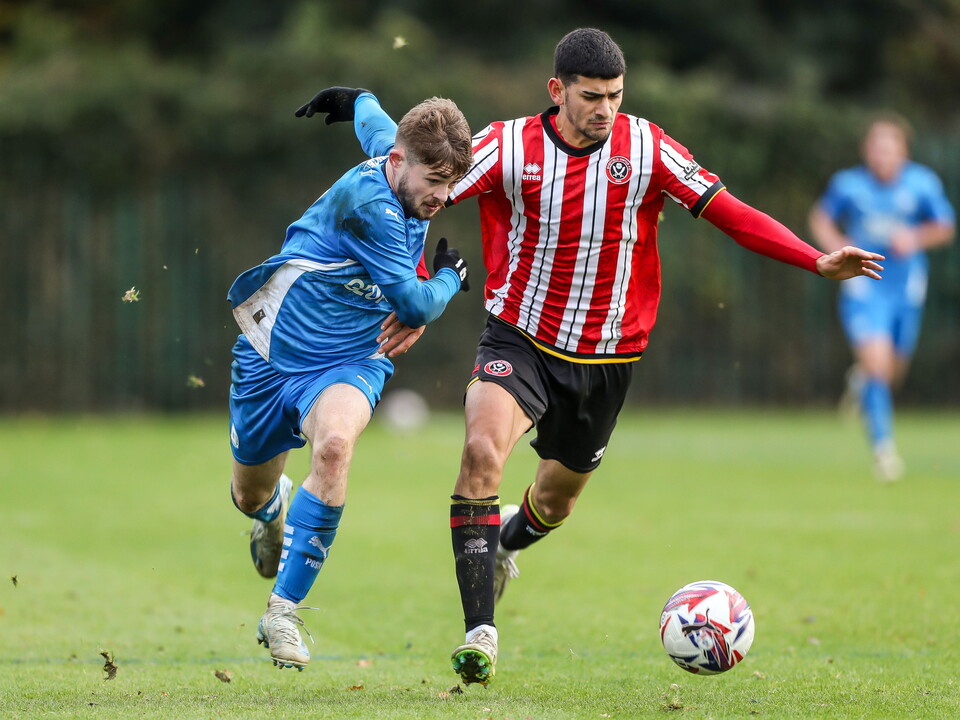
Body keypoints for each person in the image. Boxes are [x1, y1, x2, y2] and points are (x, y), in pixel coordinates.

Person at [298, 28, 885, 686]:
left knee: (556, 499)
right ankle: (480, 632)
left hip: (607, 359)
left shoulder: (648, 148)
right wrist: (414, 291)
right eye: (591, 96)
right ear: (557, 91)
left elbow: (731, 213)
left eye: (615, 95)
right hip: (517, 336)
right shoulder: (506, 146)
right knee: (482, 451)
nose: (605, 108)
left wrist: (814, 258)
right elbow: (416, 190)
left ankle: (508, 545)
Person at [227, 94, 473, 671]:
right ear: (398, 162)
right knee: (248, 495)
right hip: (270, 355)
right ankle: (272, 513)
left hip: (349, 362)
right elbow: (414, 300)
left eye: (451, 181)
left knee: (334, 448)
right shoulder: (371, 206)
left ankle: (282, 611)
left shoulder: (400, 156)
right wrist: (447, 278)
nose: (442, 195)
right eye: (434, 179)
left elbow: (374, 121)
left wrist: (353, 98)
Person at [809, 113, 955, 482]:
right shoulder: (849, 184)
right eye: (876, 146)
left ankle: (861, 384)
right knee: (877, 366)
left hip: (905, 289)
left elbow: (944, 227)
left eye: (890, 147)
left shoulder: (922, 183)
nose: (882, 154)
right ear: (866, 150)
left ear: (903, 151)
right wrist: (835, 251)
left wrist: (915, 238)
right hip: (864, 287)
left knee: (890, 375)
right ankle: (884, 451)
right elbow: (821, 218)